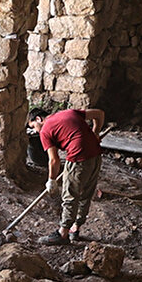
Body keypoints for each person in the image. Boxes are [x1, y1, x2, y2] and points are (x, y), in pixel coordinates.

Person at [38, 105, 105, 245]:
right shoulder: (69, 112)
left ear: (38, 119)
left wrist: (51, 180)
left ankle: (63, 233)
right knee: (86, 193)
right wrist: (95, 133)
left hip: (78, 156)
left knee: (70, 194)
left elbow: (54, 160)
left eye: (33, 126)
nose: (35, 130)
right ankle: (75, 228)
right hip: (96, 154)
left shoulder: (44, 130)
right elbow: (99, 114)